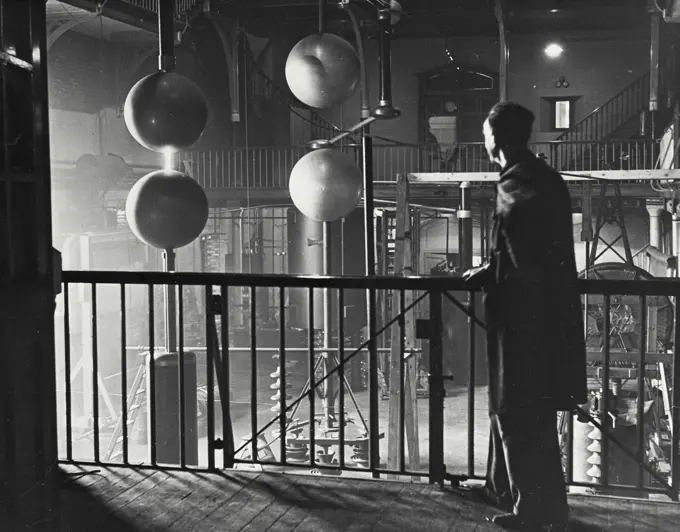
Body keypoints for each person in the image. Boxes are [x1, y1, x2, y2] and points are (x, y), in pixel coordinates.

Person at [463, 102, 587, 530]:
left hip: (522, 322)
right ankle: (526, 498)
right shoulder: (543, 178)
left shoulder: (517, 181)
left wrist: (494, 279)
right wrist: (492, 267)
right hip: (544, 320)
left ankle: (532, 511)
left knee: (515, 411)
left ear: (494, 138)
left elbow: (521, 255)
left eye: (484, 133)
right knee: (528, 412)